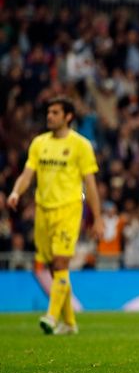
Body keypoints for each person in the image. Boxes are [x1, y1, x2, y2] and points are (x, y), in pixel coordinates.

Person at [7, 97, 104, 335]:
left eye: (55, 112)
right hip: (43, 211)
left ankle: (51, 316)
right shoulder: (39, 143)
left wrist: (97, 218)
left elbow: (90, 184)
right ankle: (70, 323)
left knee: (60, 262)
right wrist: (15, 192)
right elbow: (27, 174)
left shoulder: (81, 145)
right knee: (54, 268)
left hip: (69, 209)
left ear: (68, 116)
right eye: (49, 112)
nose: (49, 116)